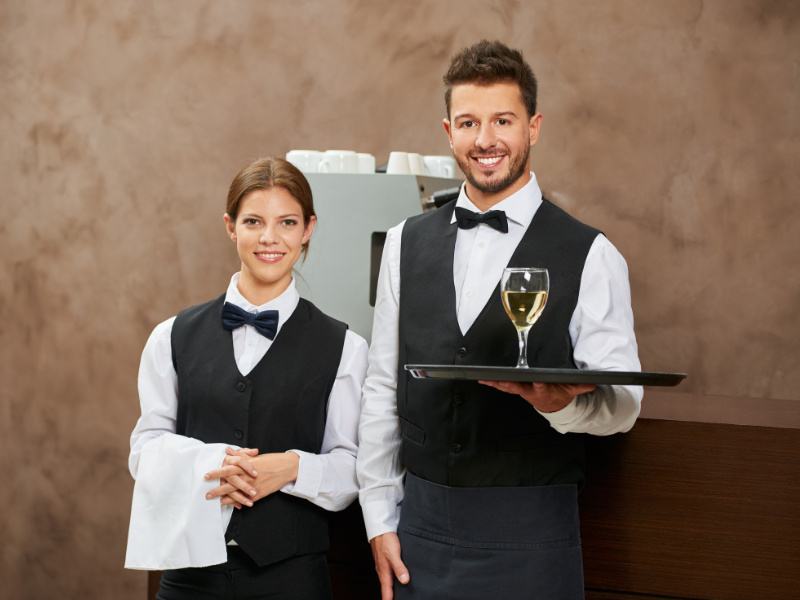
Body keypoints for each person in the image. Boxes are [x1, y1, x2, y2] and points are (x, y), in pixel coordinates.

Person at [357, 40, 643, 600]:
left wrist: (563, 407)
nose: (485, 140)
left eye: (503, 121)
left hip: (531, 531)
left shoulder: (592, 254)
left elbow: (624, 405)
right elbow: (382, 388)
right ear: (449, 133)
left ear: (533, 127)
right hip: (419, 532)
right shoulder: (402, 244)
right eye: (469, 123)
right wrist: (379, 518)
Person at [125, 157, 368, 600]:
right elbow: (144, 450)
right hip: (189, 576)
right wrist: (211, 463)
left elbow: (353, 468)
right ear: (231, 227)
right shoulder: (170, 337)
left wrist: (290, 468)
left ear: (308, 229)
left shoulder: (346, 348)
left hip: (293, 580)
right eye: (253, 221)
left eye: (287, 222)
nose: (269, 238)